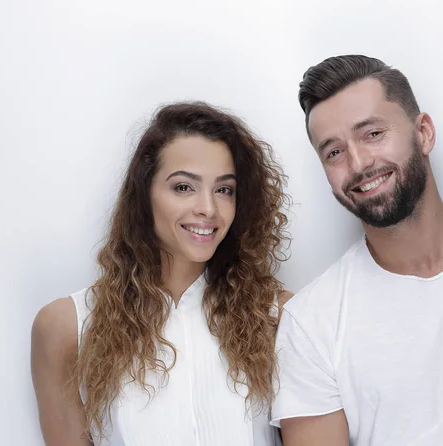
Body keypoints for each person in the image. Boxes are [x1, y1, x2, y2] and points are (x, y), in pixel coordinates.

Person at [271, 55, 443, 446]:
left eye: (372, 133)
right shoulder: (311, 324)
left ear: (423, 132)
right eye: (334, 152)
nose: (358, 163)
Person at [31, 101, 293, 446]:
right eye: (184, 187)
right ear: (144, 194)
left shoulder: (280, 315)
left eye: (224, 189)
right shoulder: (66, 327)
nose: (208, 208)